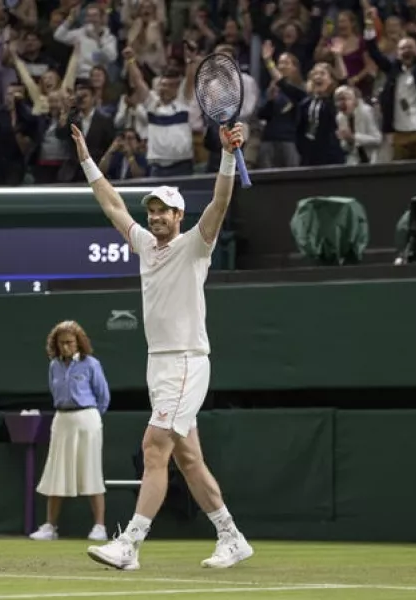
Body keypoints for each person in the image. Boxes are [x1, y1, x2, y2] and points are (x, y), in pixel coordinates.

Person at [70, 121, 253, 570]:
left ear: (179, 216)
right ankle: (232, 537)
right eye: (151, 209)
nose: (154, 216)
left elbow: (221, 201)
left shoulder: (196, 244)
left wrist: (228, 153)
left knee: (155, 447)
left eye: (163, 210)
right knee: (189, 458)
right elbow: (112, 204)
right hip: (160, 365)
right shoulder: (145, 246)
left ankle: (130, 544)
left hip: (187, 362)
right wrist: (87, 160)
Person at [30, 320, 111, 542]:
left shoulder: (92, 364)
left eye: (70, 342)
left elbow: (103, 397)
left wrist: (89, 416)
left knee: (92, 472)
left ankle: (99, 527)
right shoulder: (53, 366)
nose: (66, 347)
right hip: (61, 419)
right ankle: (50, 527)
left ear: (78, 343)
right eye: (62, 343)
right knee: (56, 472)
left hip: (87, 420)